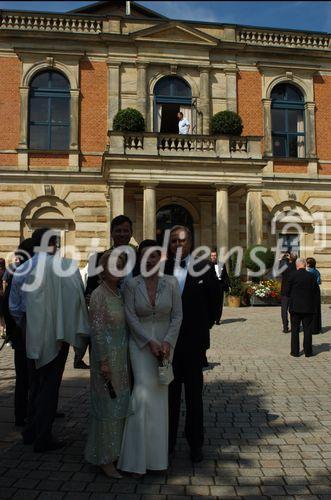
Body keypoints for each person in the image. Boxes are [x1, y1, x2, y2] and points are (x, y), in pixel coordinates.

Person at [10, 227, 90, 452]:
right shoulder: (65, 267)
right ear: (54, 244)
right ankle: (42, 435)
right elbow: (78, 296)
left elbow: (14, 306)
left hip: (30, 331)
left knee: (33, 382)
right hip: (59, 331)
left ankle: (31, 430)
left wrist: (25, 325)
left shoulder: (23, 267)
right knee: (50, 385)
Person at [118, 240, 182, 476]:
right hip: (141, 345)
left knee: (160, 398)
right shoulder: (131, 285)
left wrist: (167, 342)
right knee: (142, 394)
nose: (151, 260)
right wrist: (151, 342)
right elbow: (131, 317)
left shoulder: (172, 282)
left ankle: (157, 460)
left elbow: (177, 316)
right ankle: (134, 460)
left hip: (166, 346)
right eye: (146, 256)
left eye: (155, 255)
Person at [165, 226, 218, 462]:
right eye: (174, 241)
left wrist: (202, 327)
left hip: (194, 344)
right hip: (168, 345)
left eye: (183, 241)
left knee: (194, 397)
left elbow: (216, 302)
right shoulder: (161, 268)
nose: (178, 244)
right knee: (169, 396)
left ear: (190, 243)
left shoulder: (204, 267)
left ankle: (195, 443)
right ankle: (167, 443)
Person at [85, 251, 131, 479]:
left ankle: (116, 453)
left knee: (120, 406)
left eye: (119, 265)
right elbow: (97, 331)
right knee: (107, 408)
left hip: (122, 358)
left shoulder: (119, 292)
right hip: (106, 360)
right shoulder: (98, 294)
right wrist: (103, 361)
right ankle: (104, 459)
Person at [75, 215, 135, 369]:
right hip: (107, 327)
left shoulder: (142, 258)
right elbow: (90, 290)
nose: (122, 234)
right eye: (118, 230)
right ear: (112, 233)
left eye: (126, 230)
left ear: (131, 233)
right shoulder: (98, 259)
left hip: (135, 326)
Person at [3, 239, 34, 426]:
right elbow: (10, 307)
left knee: (25, 377)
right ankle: (22, 414)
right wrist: (17, 330)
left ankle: (22, 414)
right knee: (26, 377)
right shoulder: (20, 273)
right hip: (23, 333)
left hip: (20, 333)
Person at [284, 258, 319, 358]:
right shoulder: (311, 276)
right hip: (308, 307)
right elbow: (316, 292)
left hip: (295, 307)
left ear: (297, 265)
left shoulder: (292, 275)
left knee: (295, 330)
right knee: (307, 329)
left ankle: (295, 352)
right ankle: (308, 352)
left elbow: (286, 291)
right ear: (305, 265)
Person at [210, 248, 230, 325]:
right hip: (212, 287)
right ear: (210, 256)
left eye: (215, 255)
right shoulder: (207, 265)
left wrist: (228, 285)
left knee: (219, 303)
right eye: (212, 255)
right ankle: (212, 318)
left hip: (220, 286)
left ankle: (218, 319)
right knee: (212, 303)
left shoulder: (222, 264)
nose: (213, 257)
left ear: (217, 256)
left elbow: (225, 275)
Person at [280, 251, 297, 333]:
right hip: (294, 291)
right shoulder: (296, 266)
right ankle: (294, 326)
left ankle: (285, 327)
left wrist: (283, 258)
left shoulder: (285, 266)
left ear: (290, 257)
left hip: (285, 291)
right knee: (293, 310)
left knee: (284, 310)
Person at [306, 257, 322, 335]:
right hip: (316, 290)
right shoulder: (317, 271)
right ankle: (317, 327)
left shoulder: (309, 272)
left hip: (310, 291)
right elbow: (319, 282)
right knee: (317, 308)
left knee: (311, 309)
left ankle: (312, 328)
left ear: (308, 264)